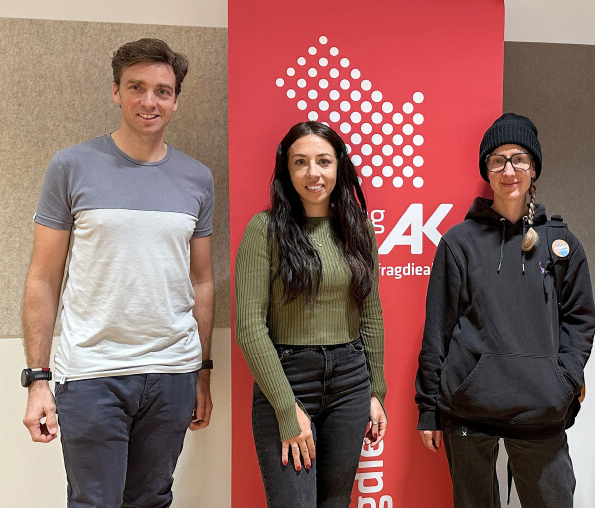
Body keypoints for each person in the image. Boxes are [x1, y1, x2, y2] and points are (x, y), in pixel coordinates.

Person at [21, 38, 215, 507]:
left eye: (163, 91)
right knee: (95, 502)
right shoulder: (71, 166)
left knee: (152, 500)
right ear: (115, 91)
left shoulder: (197, 178)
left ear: (175, 99)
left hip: (172, 372)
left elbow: (202, 281)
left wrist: (202, 375)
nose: (150, 101)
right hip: (92, 374)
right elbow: (42, 278)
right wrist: (37, 379)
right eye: (137, 87)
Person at [415, 113, 595, 507]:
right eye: (497, 159)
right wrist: (429, 409)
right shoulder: (458, 243)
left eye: (518, 158)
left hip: (540, 410)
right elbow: (438, 330)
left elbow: (579, 323)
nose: (508, 169)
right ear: (487, 169)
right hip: (467, 410)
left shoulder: (562, 244)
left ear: (534, 168)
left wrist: (562, 383)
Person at [235, 121, 387, 508]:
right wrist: (287, 410)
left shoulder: (357, 229)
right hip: (287, 380)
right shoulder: (263, 230)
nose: (313, 173)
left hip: (350, 383)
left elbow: (370, 314)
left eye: (323, 161)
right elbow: (250, 329)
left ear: (339, 167)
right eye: (300, 162)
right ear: (286, 170)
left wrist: (375, 391)